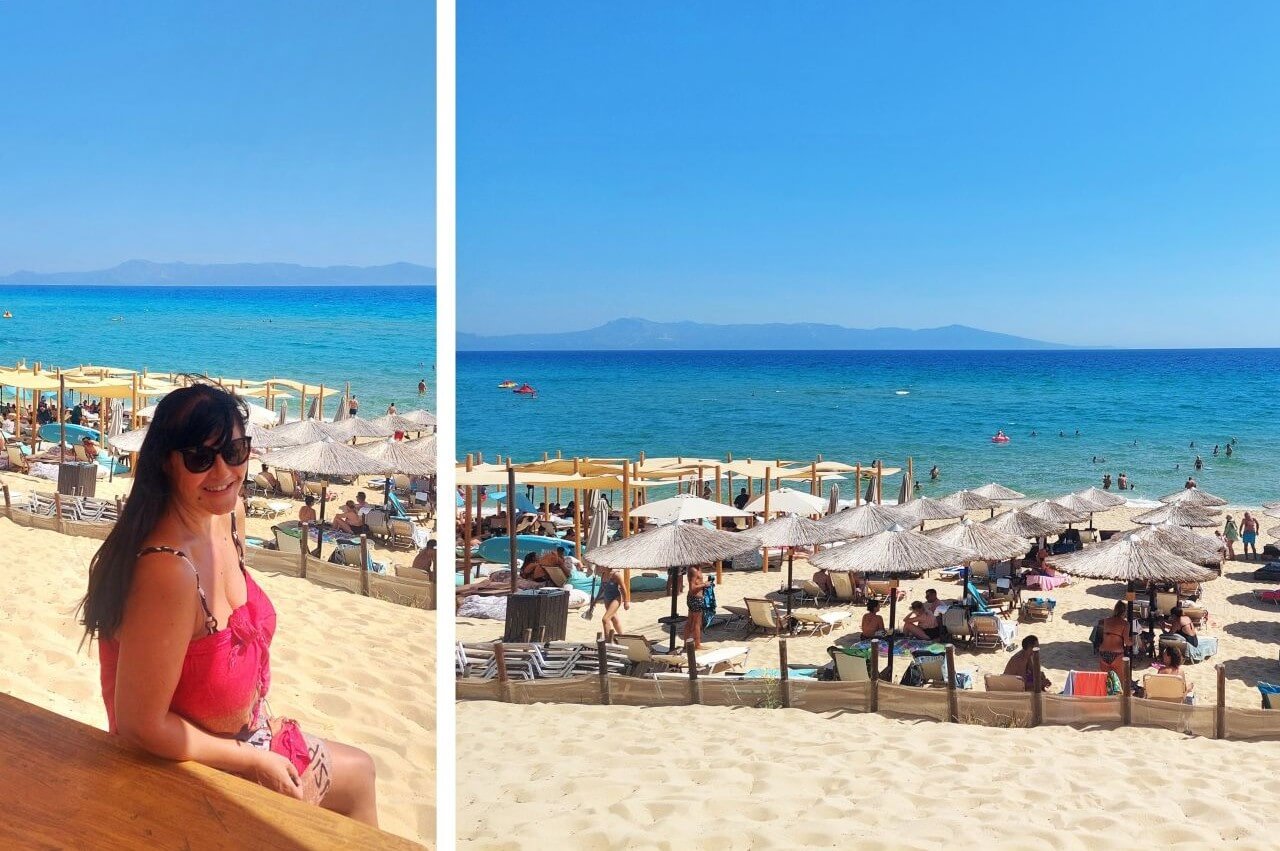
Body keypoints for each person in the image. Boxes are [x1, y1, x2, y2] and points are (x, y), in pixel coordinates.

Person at [79, 383, 376, 823]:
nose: (223, 471)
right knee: (357, 779)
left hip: (240, 736)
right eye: (201, 457)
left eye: (235, 451)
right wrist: (252, 758)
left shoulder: (227, 519)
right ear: (167, 462)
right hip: (181, 769)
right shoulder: (168, 571)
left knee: (360, 772)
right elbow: (141, 725)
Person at [1097, 602, 1131, 677]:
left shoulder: (1105, 621)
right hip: (1117, 654)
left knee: (1105, 680)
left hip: (1103, 652)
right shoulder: (1125, 624)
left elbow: (1099, 638)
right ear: (1125, 612)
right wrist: (1133, 642)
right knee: (1119, 681)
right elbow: (1127, 642)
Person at [682, 565, 710, 650]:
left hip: (693, 598)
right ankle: (697, 645)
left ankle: (686, 644)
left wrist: (704, 583)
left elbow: (697, 583)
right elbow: (692, 588)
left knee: (690, 621)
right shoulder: (693, 570)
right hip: (696, 598)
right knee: (697, 623)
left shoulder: (697, 568)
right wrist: (704, 584)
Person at [597, 567, 627, 640]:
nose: (598, 567)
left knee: (605, 619)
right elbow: (602, 588)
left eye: (600, 565)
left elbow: (623, 588)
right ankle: (622, 637)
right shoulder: (603, 574)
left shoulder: (616, 574)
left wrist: (626, 602)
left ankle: (608, 641)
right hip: (607, 599)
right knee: (613, 618)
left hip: (616, 598)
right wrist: (595, 600)